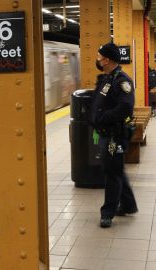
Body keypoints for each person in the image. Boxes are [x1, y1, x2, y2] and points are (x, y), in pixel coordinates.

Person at [90, 42, 138, 228]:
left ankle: (108, 213)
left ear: (106, 59)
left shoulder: (122, 81)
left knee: (112, 174)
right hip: (105, 132)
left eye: (98, 56)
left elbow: (126, 107)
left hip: (114, 136)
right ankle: (128, 204)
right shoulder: (107, 78)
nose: (97, 59)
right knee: (115, 170)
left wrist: (103, 117)